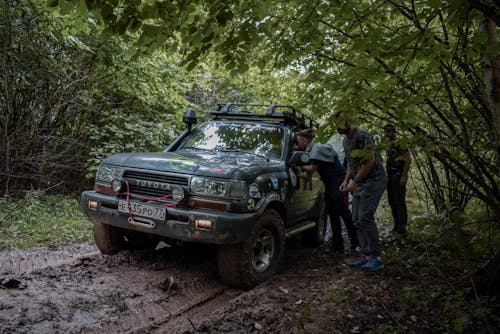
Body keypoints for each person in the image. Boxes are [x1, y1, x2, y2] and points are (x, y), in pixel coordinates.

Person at [335, 111, 386, 271]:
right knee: (356, 218)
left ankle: (376, 258)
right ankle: (366, 256)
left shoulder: (363, 135)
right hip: (359, 182)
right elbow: (351, 163)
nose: (336, 127)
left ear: (347, 120)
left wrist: (355, 182)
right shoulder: (346, 141)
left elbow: (369, 161)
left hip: (374, 180)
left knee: (365, 217)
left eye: (338, 123)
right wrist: (346, 180)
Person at [295, 128, 359, 254]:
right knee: (332, 213)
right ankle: (337, 245)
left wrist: (296, 161)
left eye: (298, 142)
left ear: (305, 140)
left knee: (343, 211)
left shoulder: (317, 149)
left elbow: (311, 169)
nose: (298, 144)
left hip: (338, 181)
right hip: (329, 182)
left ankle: (356, 242)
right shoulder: (312, 149)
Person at [383, 124, 411, 235]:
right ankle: (397, 225)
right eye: (385, 132)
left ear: (393, 131)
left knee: (400, 201)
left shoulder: (400, 142)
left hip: (398, 175)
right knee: (392, 201)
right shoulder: (388, 144)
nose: (386, 134)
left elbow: (408, 159)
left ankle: (402, 227)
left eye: (388, 132)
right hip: (390, 176)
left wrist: (404, 175)